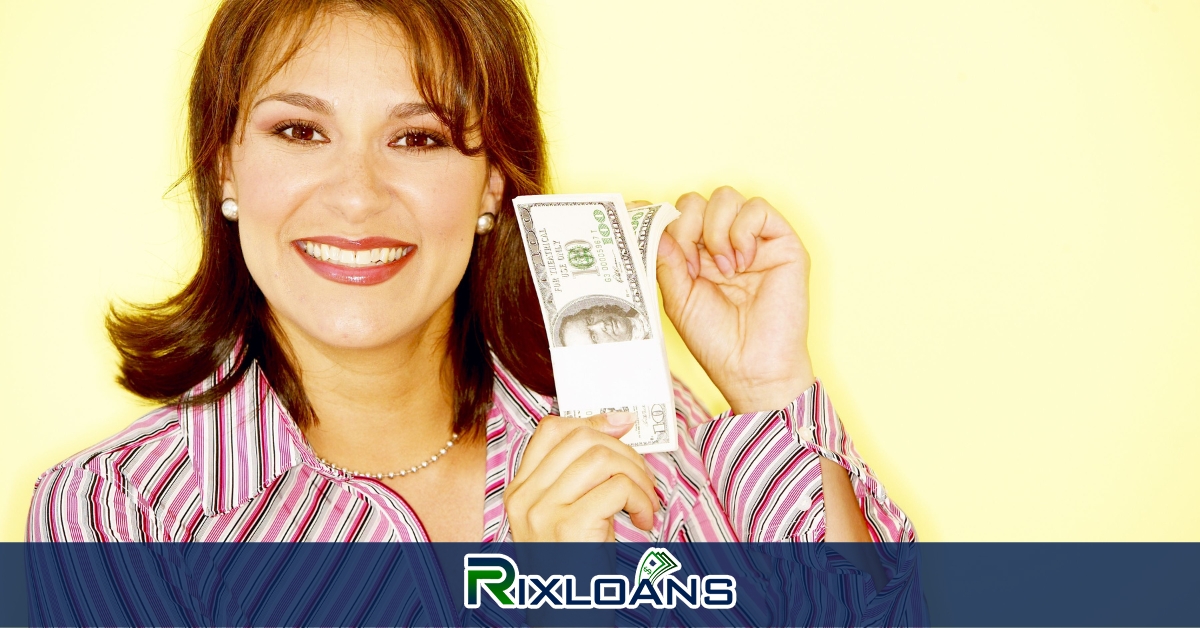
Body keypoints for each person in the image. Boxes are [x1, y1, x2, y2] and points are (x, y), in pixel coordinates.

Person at [27, 0, 913, 583]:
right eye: (300, 131)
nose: (357, 194)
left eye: (417, 140)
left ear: (492, 184)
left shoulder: (650, 435)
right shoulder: (116, 514)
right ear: (224, 164)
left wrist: (768, 389)